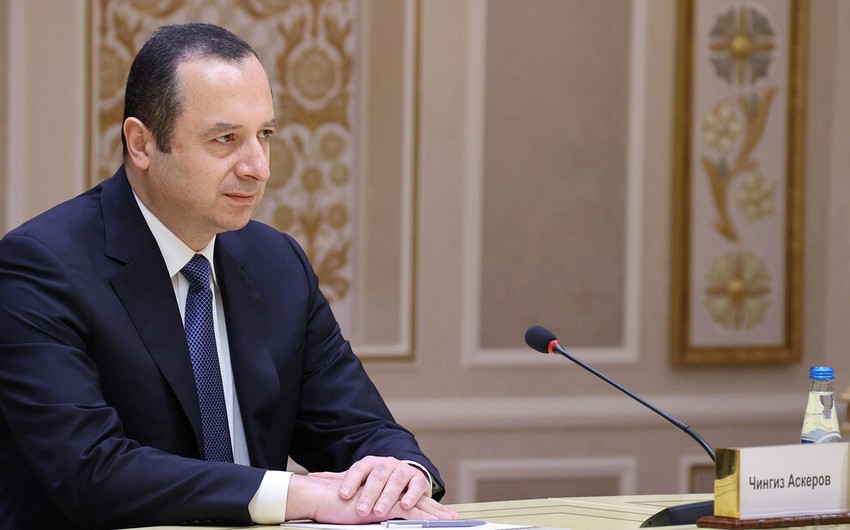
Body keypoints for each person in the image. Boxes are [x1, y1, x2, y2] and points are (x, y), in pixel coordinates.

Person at [0, 23, 454, 529]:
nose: (258, 167)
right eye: (226, 139)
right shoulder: (41, 267)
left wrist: (400, 471)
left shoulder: (278, 263)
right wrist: (296, 494)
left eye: (264, 135)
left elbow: (359, 428)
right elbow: (91, 471)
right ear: (141, 143)